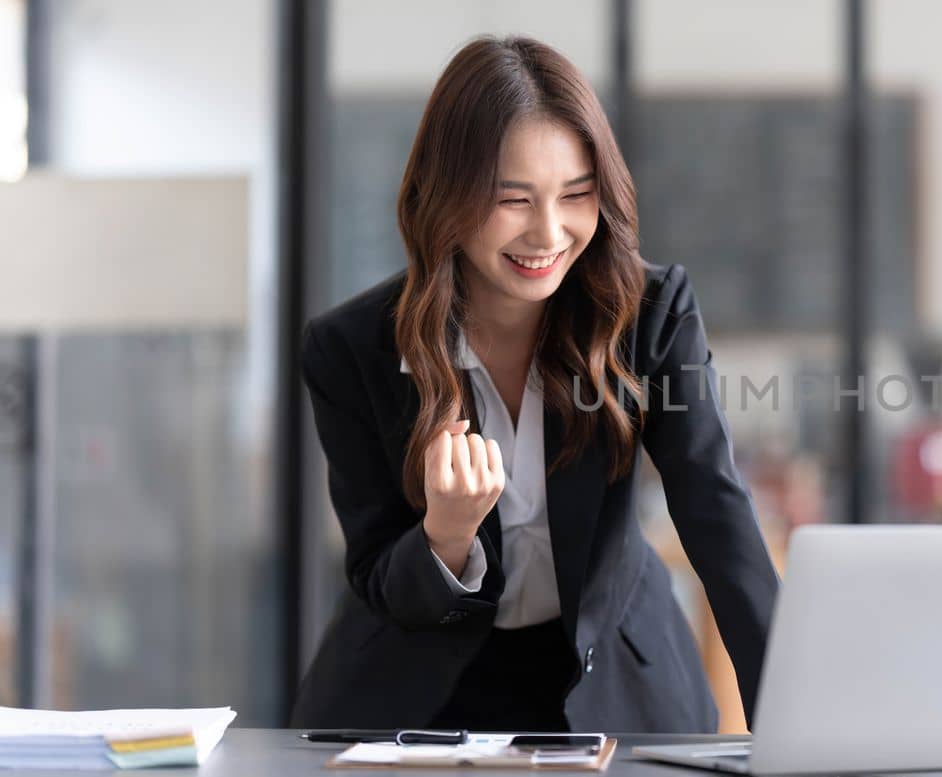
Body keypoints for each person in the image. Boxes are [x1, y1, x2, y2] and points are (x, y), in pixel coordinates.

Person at [288, 35, 779, 734]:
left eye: (576, 195)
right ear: (446, 198)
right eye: (512, 200)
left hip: (614, 678)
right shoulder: (350, 349)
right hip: (414, 691)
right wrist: (445, 535)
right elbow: (376, 572)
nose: (549, 232)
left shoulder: (650, 316)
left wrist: (797, 722)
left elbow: (717, 516)